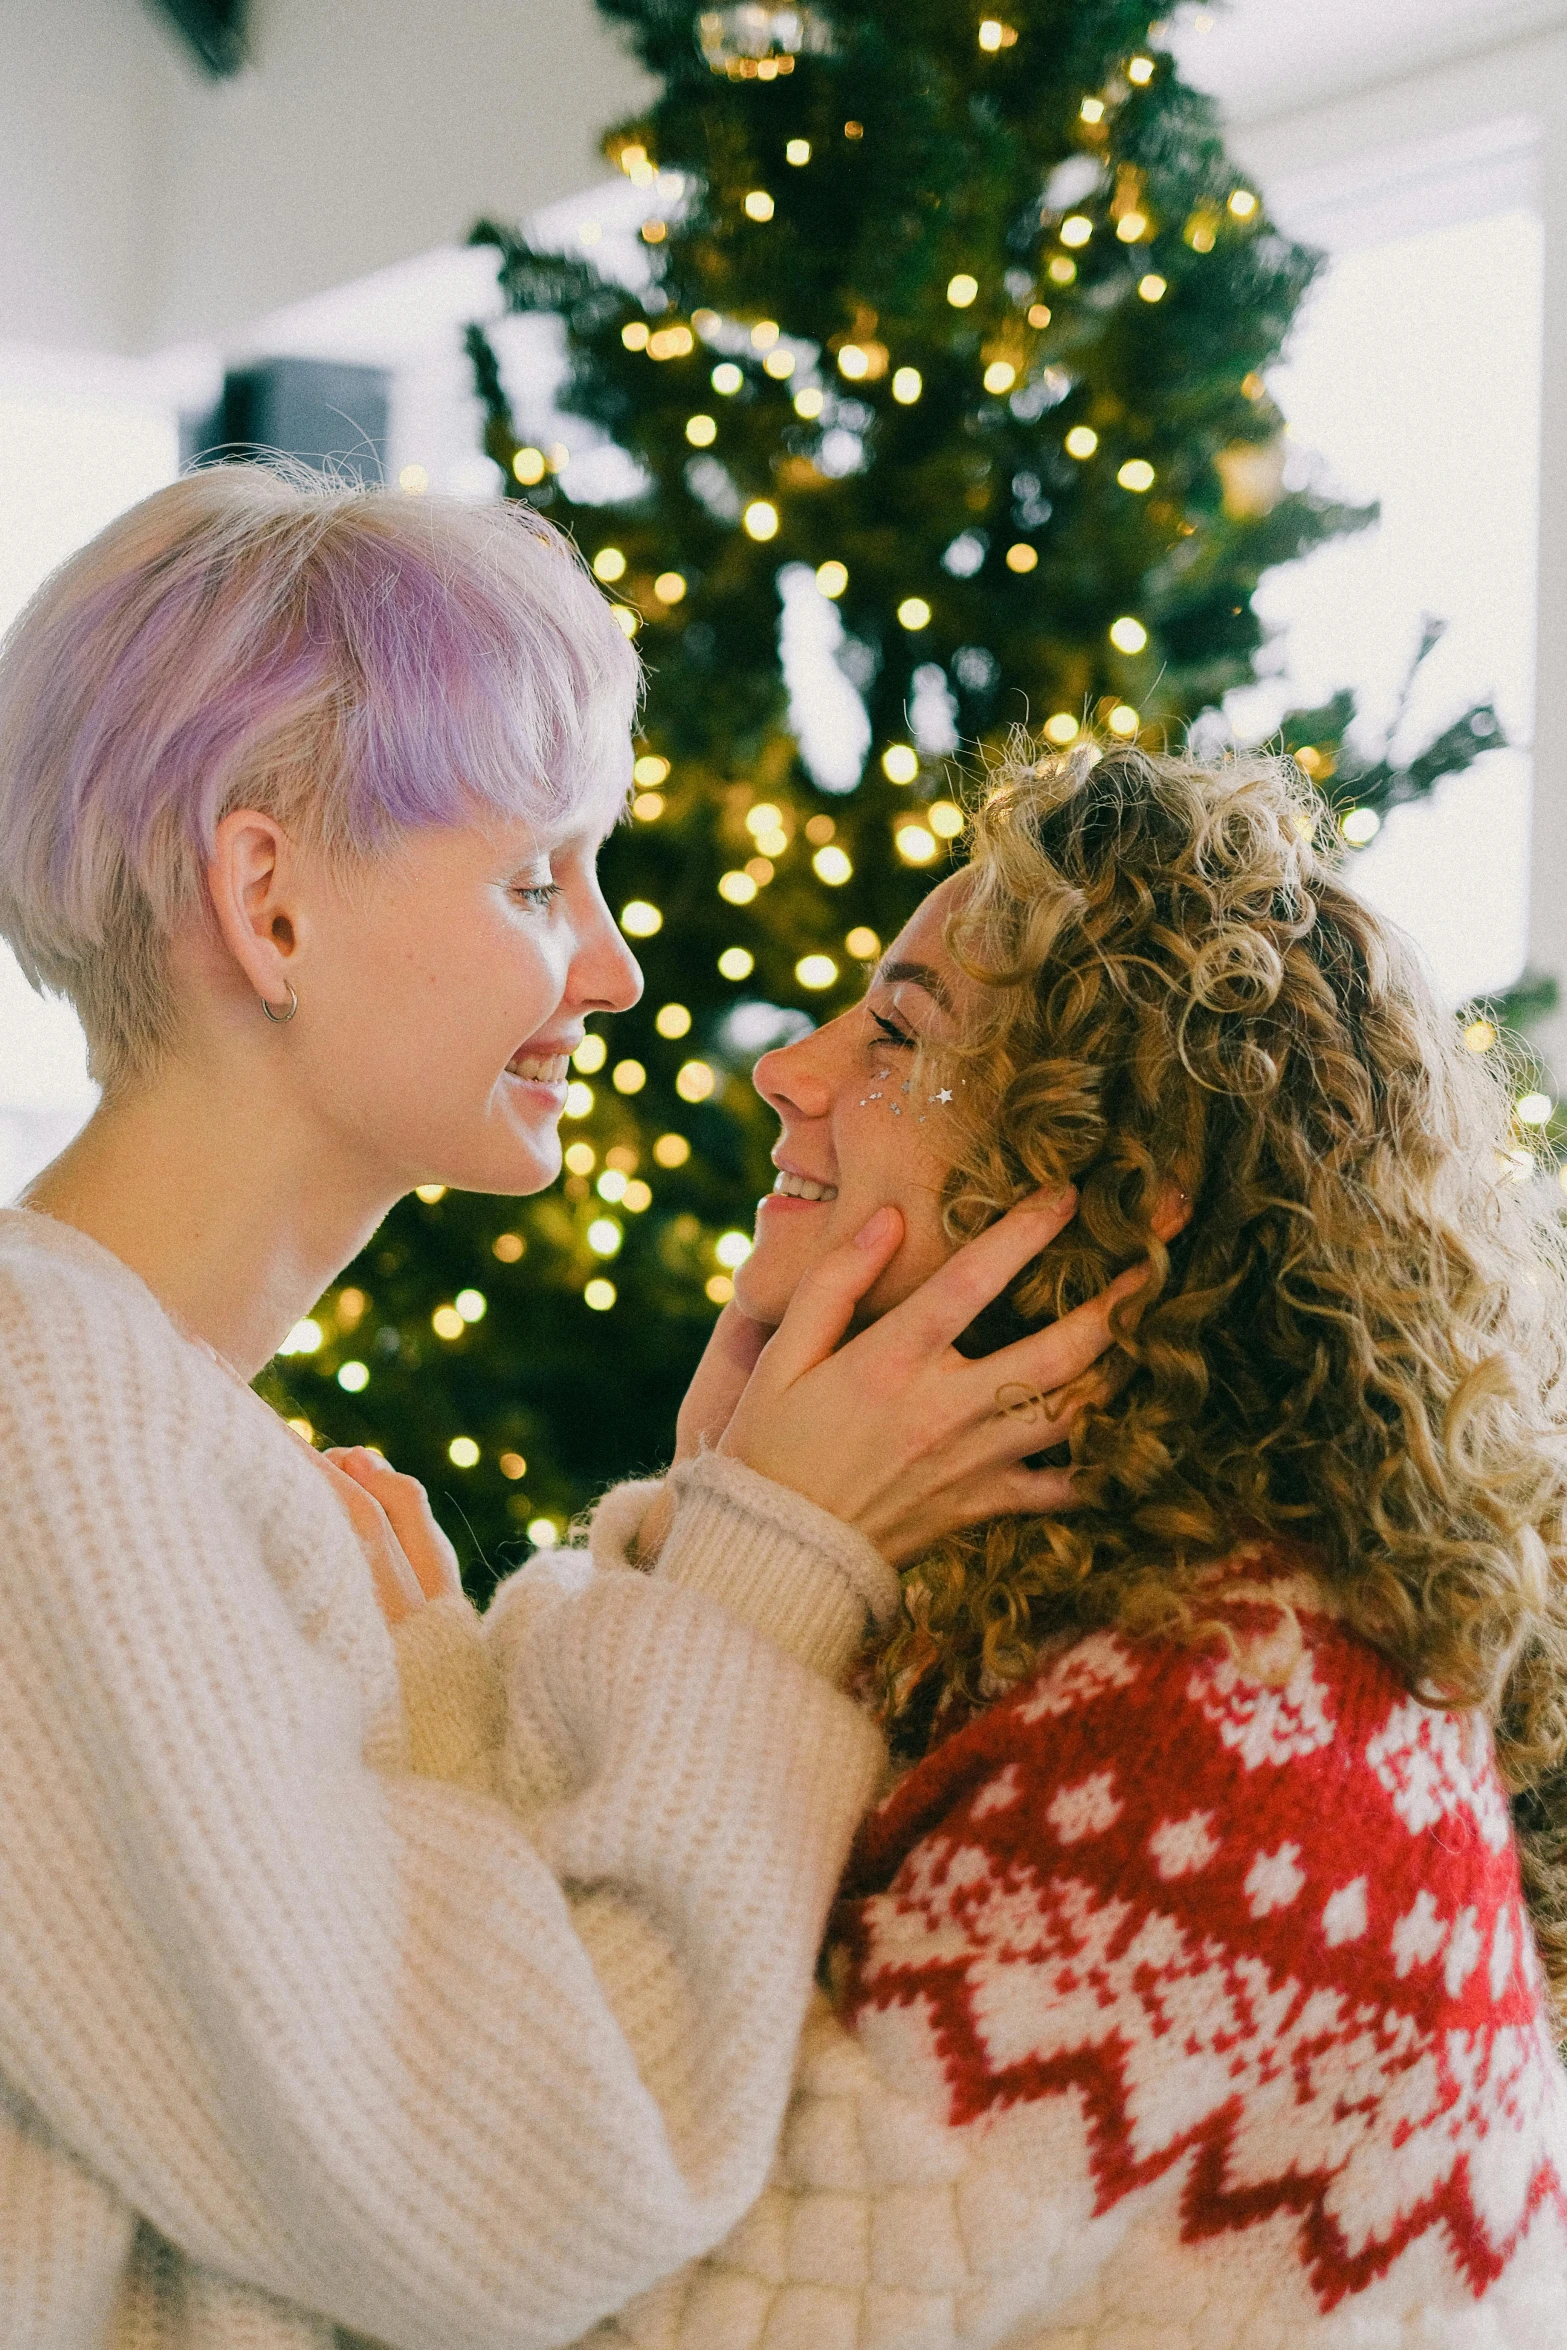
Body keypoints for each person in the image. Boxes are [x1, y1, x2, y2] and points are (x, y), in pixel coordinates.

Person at [0, 469, 1128, 2350]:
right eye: (537, 879)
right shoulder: (58, 1418)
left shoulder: (148, 1422)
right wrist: (771, 1564)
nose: (607, 969)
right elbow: (506, 2183)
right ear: (264, 900)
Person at [522, 741, 1567, 2346]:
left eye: (897, 1030)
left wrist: (739, 1572)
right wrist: (713, 1522)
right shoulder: (1035, 1615)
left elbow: (589, 2285)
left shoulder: (1225, 1747)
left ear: (1124, 1186)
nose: (788, 1072)